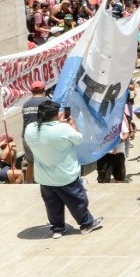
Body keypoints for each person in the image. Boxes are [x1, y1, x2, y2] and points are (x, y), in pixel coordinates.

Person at [23, 100, 104, 238]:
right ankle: (86, 224)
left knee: (52, 204)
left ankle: (57, 229)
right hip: (65, 175)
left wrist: (58, 124)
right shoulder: (63, 129)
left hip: (44, 177)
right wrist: (71, 125)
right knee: (77, 201)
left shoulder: (30, 129)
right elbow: (78, 139)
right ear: (55, 114)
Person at [20, 80, 52, 184]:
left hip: (26, 137)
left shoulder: (26, 104)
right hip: (40, 136)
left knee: (31, 162)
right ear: (44, 90)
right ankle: (47, 183)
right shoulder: (46, 102)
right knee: (46, 161)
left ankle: (28, 184)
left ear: (31, 91)